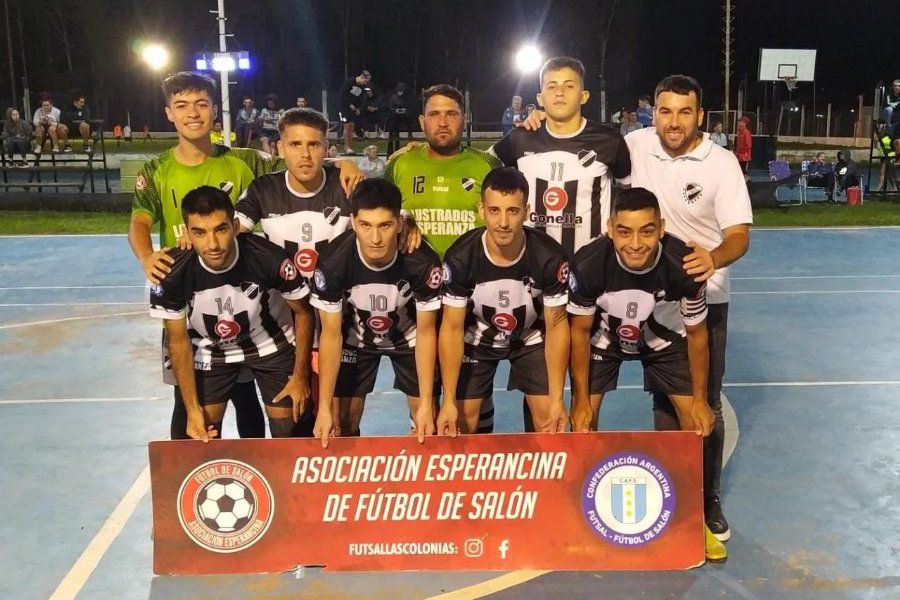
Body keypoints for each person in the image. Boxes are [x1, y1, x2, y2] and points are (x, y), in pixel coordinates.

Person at [128, 72, 362, 440]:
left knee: (254, 402)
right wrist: (146, 257)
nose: (193, 113)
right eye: (182, 106)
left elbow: (300, 161)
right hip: (193, 298)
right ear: (168, 113)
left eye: (202, 104)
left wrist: (343, 163)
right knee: (192, 405)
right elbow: (139, 221)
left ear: (214, 112)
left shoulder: (245, 161)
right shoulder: (155, 169)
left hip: (250, 299)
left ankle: (264, 471)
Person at [624, 74, 752, 551]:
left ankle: (708, 497)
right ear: (651, 113)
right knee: (664, 400)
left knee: (705, 404)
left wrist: (713, 257)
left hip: (706, 300)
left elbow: (739, 233)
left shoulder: (720, 164)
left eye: (684, 112)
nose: (673, 122)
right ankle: (674, 492)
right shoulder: (635, 147)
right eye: (664, 111)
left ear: (700, 116)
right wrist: (533, 121)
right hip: (650, 301)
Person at [567, 186, 725, 562]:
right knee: (582, 425)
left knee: (697, 425)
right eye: (625, 232)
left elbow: (698, 335)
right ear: (610, 228)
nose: (636, 243)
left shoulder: (684, 263)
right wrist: (579, 401)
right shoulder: (587, 263)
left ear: (662, 228)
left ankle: (693, 516)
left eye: (647, 231)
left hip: (664, 343)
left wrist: (701, 401)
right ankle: (579, 513)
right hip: (604, 343)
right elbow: (577, 333)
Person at [149, 186, 314, 441]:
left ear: (235, 226)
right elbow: (178, 341)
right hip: (209, 351)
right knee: (199, 434)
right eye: (200, 233)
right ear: (187, 233)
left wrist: (301, 376)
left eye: (221, 229)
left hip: (269, 344)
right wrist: (192, 410)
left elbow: (303, 312)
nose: (212, 244)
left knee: (291, 428)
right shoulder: (171, 273)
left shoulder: (270, 259)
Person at [385, 83, 501, 433]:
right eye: (434, 114)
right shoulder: (401, 164)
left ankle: (476, 475)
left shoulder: (485, 164)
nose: (443, 122)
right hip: (413, 301)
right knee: (422, 404)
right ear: (422, 121)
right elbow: (378, 212)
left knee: (470, 405)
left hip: (470, 300)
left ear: (464, 120)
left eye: (451, 113)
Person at [437, 167, 570, 436]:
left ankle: (540, 477)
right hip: (478, 339)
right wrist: (448, 400)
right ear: (481, 210)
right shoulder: (460, 257)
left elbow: (557, 327)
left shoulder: (549, 256)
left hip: (531, 337)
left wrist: (558, 399)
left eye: (512, 211)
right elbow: (452, 328)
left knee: (550, 421)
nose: (503, 222)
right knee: (460, 423)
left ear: (527, 211)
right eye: (494, 210)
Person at [311, 179, 442, 444]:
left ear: (399, 223)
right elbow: (330, 336)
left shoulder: (421, 261)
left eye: (385, 225)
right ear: (353, 222)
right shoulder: (333, 262)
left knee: (427, 422)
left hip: (409, 337)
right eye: (365, 225)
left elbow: (428, 332)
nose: (375, 238)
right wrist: (324, 408)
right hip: (354, 340)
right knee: (341, 422)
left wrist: (427, 403)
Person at [492, 56, 632, 256]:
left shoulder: (609, 141)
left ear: (584, 96)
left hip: (590, 264)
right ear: (540, 98)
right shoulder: (521, 138)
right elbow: (483, 164)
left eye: (569, 86)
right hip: (533, 263)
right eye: (551, 86)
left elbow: (626, 193)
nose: (559, 93)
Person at [339, 70, 372, 154]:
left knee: (352, 126)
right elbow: (343, 94)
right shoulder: (350, 81)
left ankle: (350, 147)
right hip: (344, 107)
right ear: (361, 77)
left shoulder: (362, 87)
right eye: (365, 81)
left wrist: (358, 108)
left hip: (353, 108)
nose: (365, 83)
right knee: (347, 126)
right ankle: (346, 147)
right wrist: (349, 104)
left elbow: (360, 99)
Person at [386, 82, 416, 155]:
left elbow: (413, 108)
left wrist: (405, 110)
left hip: (406, 115)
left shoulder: (409, 98)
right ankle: (393, 135)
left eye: (401, 91)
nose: (400, 93)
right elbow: (390, 107)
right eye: (399, 91)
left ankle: (410, 133)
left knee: (410, 118)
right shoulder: (393, 97)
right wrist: (395, 110)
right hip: (396, 115)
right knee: (392, 120)